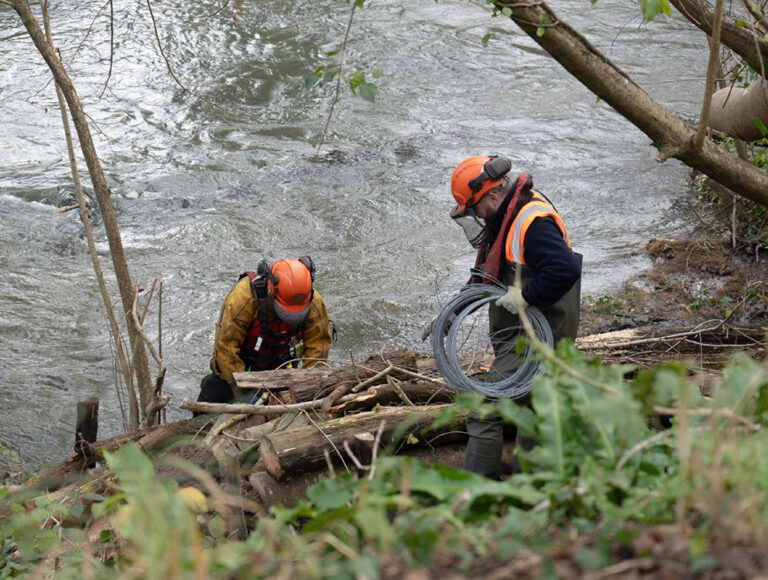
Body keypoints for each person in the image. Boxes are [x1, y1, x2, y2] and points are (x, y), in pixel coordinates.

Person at [448, 155, 582, 479]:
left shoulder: (532, 222)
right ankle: (528, 493)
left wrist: (525, 296)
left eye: (474, 209)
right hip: (523, 336)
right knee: (532, 414)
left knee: (484, 411)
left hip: (538, 338)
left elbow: (565, 270)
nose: (476, 217)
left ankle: (476, 496)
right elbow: (487, 275)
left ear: (492, 196)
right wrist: (453, 312)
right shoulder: (507, 215)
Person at [196, 256, 333, 405]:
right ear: (271, 290)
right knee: (206, 406)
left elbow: (318, 349)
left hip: (282, 369)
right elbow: (226, 348)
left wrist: (308, 386)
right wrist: (243, 390)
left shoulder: (312, 301)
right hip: (240, 367)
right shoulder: (244, 297)